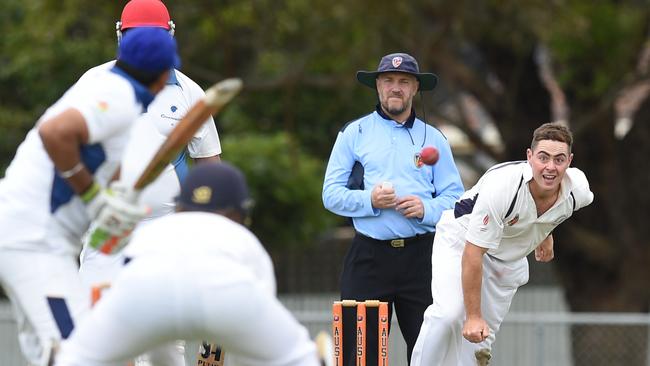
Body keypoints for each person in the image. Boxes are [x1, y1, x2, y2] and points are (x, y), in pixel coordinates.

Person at [0, 27, 180, 365]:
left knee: (52, 353)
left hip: (33, 239)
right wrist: (94, 197)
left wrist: (114, 206)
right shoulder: (118, 96)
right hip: (34, 242)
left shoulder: (111, 92)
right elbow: (55, 133)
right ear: (162, 74)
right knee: (80, 354)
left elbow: (102, 164)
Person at [55, 162, 320, 366]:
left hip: (143, 290)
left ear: (180, 207)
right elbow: (252, 320)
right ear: (239, 214)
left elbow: (122, 277)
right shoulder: (242, 239)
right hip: (226, 294)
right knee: (299, 358)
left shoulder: (151, 233)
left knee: (74, 359)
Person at [76, 2, 222, 363]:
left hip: (165, 228)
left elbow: (209, 166)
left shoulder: (190, 92)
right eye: (134, 36)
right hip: (107, 222)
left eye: (152, 36)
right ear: (120, 36)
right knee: (96, 326)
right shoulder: (95, 81)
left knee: (160, 333)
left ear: (169, 35)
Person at [410, 122, 594, 366]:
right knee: (448, 315)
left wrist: (545, 231)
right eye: (543, 157)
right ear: (529, 157)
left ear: (569, 161)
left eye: (559, 159)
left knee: (478, 345)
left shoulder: (579, 192)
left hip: (507, 261)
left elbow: (551, 210)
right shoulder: (504, 187)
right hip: (462, 240)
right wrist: (473, 316)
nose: (550, 167)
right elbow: (473, 254)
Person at [322, 52, 465, 365]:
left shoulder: (435, 139)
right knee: (358, 355)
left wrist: (425, 208)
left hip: (424, 259)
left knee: (433, 353)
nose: (395, 88)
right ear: (378, 87)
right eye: (388, 80)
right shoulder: (354, 134)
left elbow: (457, 201)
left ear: (415, 88)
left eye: (403, 82)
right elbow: (330, 195)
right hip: (369, 258)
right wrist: (369, 200)